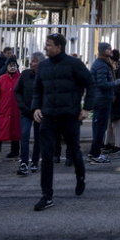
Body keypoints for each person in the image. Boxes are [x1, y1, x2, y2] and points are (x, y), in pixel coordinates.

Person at [31, 33, 95, 211]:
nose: (46, 48)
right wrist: (36, 108)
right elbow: (37, 90)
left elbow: (90, 84)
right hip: (48, 118)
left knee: (74, 152)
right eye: (46, 44)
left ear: (59, 47)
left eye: (49, 45)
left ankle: (80, 177)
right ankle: (47, 196)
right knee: (47, 157)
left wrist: (87, 108)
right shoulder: (43, 66)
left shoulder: (74, 64)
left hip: (69, 116)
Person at [88, 42, 120, 164]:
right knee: (100, 128)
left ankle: (94, 153)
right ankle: (95, 154)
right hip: (102, 99)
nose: (111, 50)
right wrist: (117, 82)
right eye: (108, 49)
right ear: (103, 51)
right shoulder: (101, 65)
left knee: (99, 127)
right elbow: (102, 84)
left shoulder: (102, 63)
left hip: (101, 99)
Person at [15, 52, 43, 175]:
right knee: (25, 135)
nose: (32, 63)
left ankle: (35, 162)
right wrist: (22, 106)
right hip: (26, 111)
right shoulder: (25, 74)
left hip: (40, 113)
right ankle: (24, 162)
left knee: (38, 138)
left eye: (35, 61)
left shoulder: (45, 75)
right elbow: (17, 91)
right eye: (31, 60)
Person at [0, 58, 22, 160]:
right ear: (7, 67)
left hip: (16, 109)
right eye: (10, 65)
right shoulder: (1, 79)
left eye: (14, 65)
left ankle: (15, 151)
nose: (12, 67)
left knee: (15, 131)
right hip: (3, 109)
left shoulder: (20, 78)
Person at [104, 49, 120, 155]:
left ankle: (118, 145)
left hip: (118, 99)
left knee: (116, 123)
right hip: (114, 97)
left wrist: (113, 93)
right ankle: (108, 143)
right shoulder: (112, 67)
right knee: (110, 122)